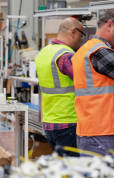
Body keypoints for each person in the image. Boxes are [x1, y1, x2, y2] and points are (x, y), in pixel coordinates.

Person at [73, 9, 114, 156]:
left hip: (91, 132)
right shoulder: (100, 52)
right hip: (103, 134)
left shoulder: (84, 50)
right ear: (109, 25)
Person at [35, 17, 85, 155]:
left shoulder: (43, 53)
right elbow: (86, 82)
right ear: (73, 32)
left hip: (50, 122)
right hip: (68, 122)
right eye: (81, 35)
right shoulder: (65, 55)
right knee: (72, 171)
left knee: (62, 170)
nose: (81, 40)